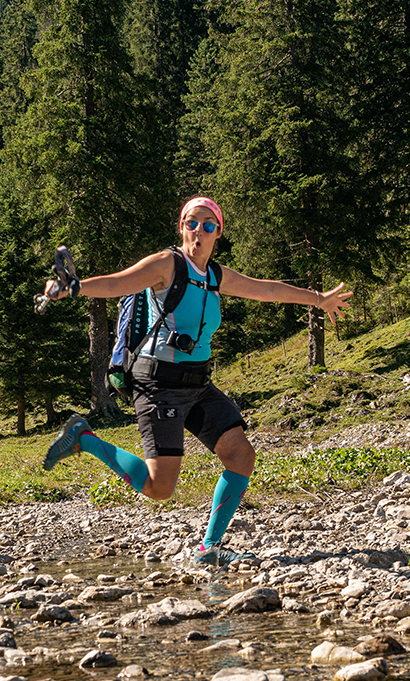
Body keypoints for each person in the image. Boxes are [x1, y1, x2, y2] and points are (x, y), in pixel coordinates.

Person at [41, 196, 353, 565]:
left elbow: (268, 290)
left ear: (218, 232)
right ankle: (86, 439)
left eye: (208, 225)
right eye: (192, 223)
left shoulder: (216, 276)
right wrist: (74, 288)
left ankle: (210, 548)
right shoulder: (166, 264)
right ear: (181, 227)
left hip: (198, 383)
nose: (198, 231)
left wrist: (319, 299)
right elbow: (119, 283)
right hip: (158, 383)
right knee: (160, 488)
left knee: (240, 455)